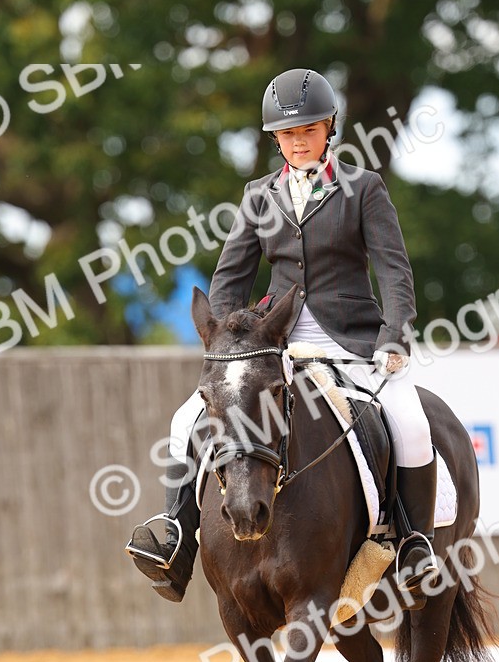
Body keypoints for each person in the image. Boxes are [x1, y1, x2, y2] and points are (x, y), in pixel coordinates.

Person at [126, 67, 438, 602]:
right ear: (276, 139)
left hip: (352, 340)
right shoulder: (258, 196)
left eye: (309, 131)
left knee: (409, 420)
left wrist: (394, 333)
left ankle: (412, 541)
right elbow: (228, 278)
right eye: (289, 135)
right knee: (189, 416)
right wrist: (229, 341)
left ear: (329, 128)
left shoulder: (363, 188)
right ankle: (177, 533)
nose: (299, 142)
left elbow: (393, 269)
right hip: (278, 340)